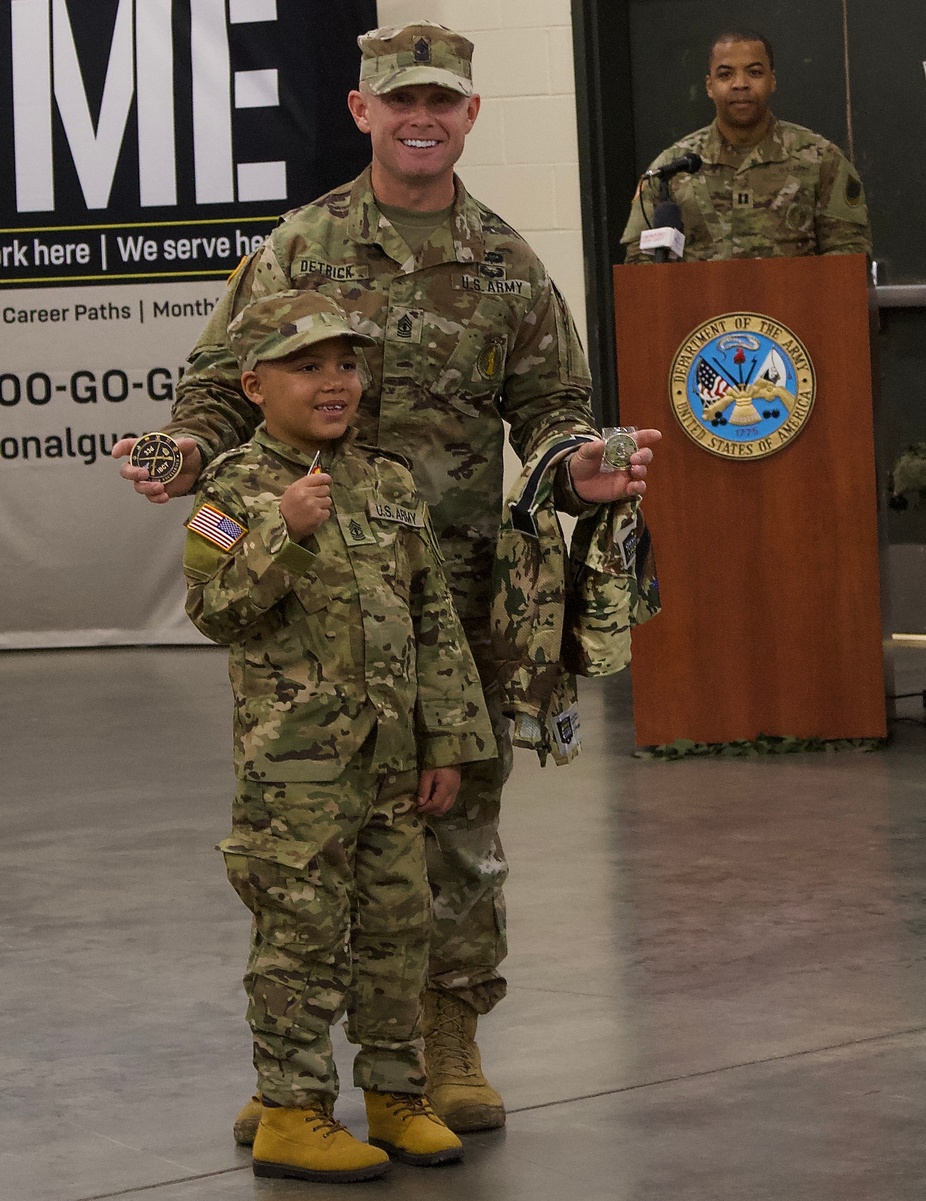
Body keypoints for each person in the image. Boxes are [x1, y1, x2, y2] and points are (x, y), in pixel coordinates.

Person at [114, 21, 660, 1138]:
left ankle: (443, 1044)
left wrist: (579, 472)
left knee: (453, 830)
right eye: (399, 100)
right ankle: (295, 1076)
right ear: (362, 111)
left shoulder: (508, 264)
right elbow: (221, 388)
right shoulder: (298, 249)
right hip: (312, 605)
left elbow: (552, 414)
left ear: (468, 115)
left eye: (442, 102)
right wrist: (178, 458)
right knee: (304, 849)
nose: (422, 118)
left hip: (454, 601)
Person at [184, 288, 497, 1183]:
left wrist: (447, 743)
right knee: (301, 937)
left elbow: (433, 616)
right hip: (296, 775)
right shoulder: (231, 489)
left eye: (346, 364)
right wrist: (280, 532)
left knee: (399, 929)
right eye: (307, 365)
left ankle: (398, 1095)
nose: (334, 382)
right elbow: (212, 610)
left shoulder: (389, 481)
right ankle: (291, 1109)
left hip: (393, 763)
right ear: (253, 383)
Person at [620, 28, 872, 263]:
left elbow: (849, 257)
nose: (740, 84)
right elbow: (640, 263)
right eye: (725, 74)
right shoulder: (671, 170)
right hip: (701, 310)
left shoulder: (821, 160)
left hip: (794, 307)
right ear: (709, 86)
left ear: (772, 80)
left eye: (754, 72)